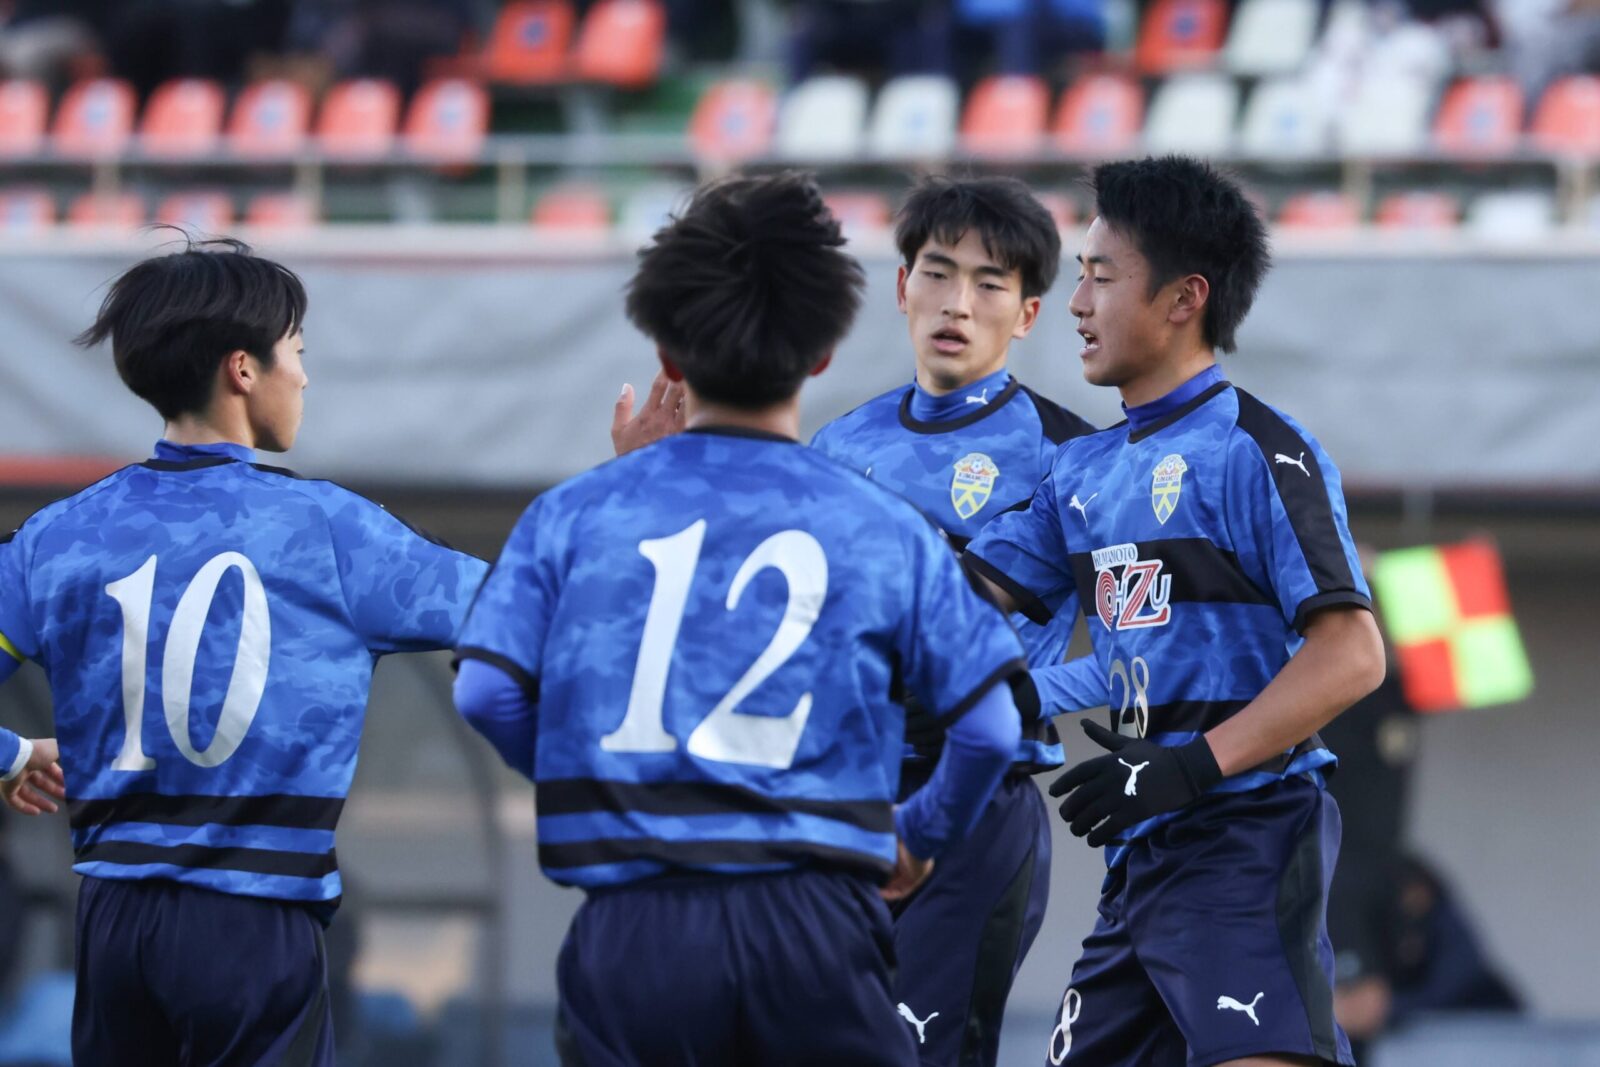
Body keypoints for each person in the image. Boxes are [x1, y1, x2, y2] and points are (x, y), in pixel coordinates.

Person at [453, 172, 1030, 1067]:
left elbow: (487, 693)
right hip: (817, 913)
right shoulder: (881, 524)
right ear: (824, 354)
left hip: (635, 917)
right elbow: (992, 726)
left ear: (669, 358)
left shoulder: (573, 514)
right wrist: (915, 837)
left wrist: (601, 776)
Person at [0, 237, 489, 1067]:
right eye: (297, 351)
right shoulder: (330, 529)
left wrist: (11, 752)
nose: (305, 374)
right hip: (253, 918)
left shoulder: (56, 535)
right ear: (243, 369)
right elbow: (534, 612)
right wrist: (638, 483)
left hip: (113, 924)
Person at [961, 155, 1387, 1067]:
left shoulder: (1258, 449)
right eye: (1076, 276)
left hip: (1247, 831)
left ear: (1184, 298)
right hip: (1143, 858)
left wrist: (1191, 766)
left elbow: (1352, 655)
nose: (1075, 302)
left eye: (1100, 276)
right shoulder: (1078, 471)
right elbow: (957, 599)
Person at [807, 174, 1101, 1066]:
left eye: (990, 283)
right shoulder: (834, 448)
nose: (957, 303)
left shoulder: (1073, 459)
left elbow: (1146, 652)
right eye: (938, 274)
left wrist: (1013, 694)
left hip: (972, 806)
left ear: (1029, 314)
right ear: (902, 288)